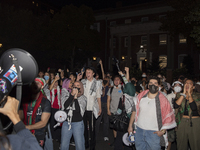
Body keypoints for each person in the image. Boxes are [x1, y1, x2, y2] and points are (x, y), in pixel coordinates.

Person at [128, 76, 176, 150]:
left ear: (158, 86)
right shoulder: (140, 97)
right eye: (151, 83)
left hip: (154, 133)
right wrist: (130, 126)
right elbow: (134, 112)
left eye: (155, 83)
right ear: (148, 85)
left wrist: (163, 131)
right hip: (139, 131)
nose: (153, 85)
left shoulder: (163, 100)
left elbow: (168, 117)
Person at [20, 78, 51, 147]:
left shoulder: (45, 102)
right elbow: (19, 116)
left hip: (38, 134)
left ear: (42, 87)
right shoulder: (24, 100)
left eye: (38, 83)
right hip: (23, 133)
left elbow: (43, 123)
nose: (35, 85)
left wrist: (28, 128)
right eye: (34, 83)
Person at [174, 79, 200, 150]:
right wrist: (184, 93)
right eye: (186, 83)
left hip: (195, 122)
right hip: (182, 121)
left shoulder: (198, 95)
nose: (187, 84)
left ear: (194, 87)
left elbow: (194, 108)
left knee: (196, 144)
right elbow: (176, 106)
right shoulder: (179, 95)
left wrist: (189, 94)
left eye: (190, 83)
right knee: (181, 144)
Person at [60, 81, 87, 150]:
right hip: (66, 123)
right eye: (74, 85)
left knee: (79, 145)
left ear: (81, 87)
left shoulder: (83, 98)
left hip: (77, 124)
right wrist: (72, 96)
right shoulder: (67, 95)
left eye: (78, 85)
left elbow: (79, 111)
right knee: (63, 145)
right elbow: (64, 106)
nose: (75, 87)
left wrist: (76, 98)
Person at [114, 71, 136, 150]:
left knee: (120, 136)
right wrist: (123, 75)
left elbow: (119, 110)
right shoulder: (136, 97)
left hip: (124, 121)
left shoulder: (123, 97)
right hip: (133, 121)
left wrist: (115, 115)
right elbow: (127, 84)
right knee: (130, 137)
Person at [81, 67, 102, 150]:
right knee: (84, 128)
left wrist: (100, 108)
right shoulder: (83, 82)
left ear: (93, 73)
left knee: (92, 129)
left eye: (89, 72)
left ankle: (92, 146)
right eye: (86, 72)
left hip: (92, 108)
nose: (87, 74)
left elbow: (98, 96)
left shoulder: (97, 83)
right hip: (83, 108)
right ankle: (86, 143)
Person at [166, 81, 183, 150]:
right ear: (173, 88)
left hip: (181, 120)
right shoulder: (169, 96)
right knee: (170, 139)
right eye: (176, 85)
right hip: (171, 120)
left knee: (181, 139)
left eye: (179, 85)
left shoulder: (184, 96)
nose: (177, 87)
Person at [107, 75, 123, 146]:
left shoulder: (123, 88)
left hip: (121, 112)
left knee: (121, 127)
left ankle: (122, 142)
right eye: (115, 79)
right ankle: (116, 141)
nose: (116, 81)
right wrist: (108, 110)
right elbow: (108, 100)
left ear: (120, 81)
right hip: (113, 111)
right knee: (114, 127)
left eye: (118, 79)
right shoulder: (111, 89)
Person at [95, 76, 110, 141]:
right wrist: (103, 87)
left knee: (106, 121)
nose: (106, 80)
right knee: (98, 121)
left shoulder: (109, 88)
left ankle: (105, 135)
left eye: (107, 80)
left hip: (106, 105)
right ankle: (95, 135)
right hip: (100, 104)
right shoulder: (100, 86)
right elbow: (101, 95)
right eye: (105, 79)